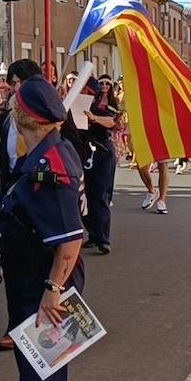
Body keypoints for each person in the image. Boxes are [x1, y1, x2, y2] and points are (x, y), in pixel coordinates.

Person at [0, 76, 86, 381]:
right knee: (40, 369)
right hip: (28, 275)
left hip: (46, 280)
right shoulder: (43, 151)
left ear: (26, 116)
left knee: (37, 375)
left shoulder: (52, 166)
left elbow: (69, 240)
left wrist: (53, 290)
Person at [80, 76, 118, 253]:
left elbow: (111, 122)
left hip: (102, 152)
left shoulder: (107, 105)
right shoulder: (76, 104)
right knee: (84, 195)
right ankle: (94, 235)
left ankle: (103, 238)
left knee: (100, 195)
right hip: (83, 151)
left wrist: (93, 118)